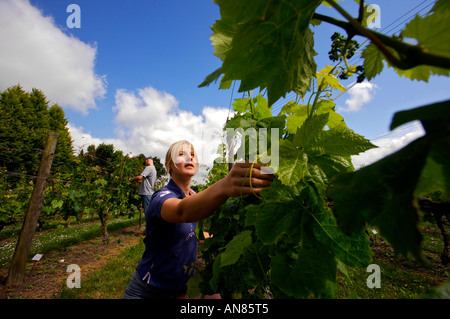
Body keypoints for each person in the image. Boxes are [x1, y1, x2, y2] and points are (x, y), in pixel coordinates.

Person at [122, 140, 273, 299]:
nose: (189, 158)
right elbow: (182, 211)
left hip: (180, 288)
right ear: (169, 166)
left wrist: (218, 240)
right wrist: (225, 185)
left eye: (192, 155)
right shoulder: (161, 197)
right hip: (148, 290)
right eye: (181, 154)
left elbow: (196, 233)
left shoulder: (194, 196)